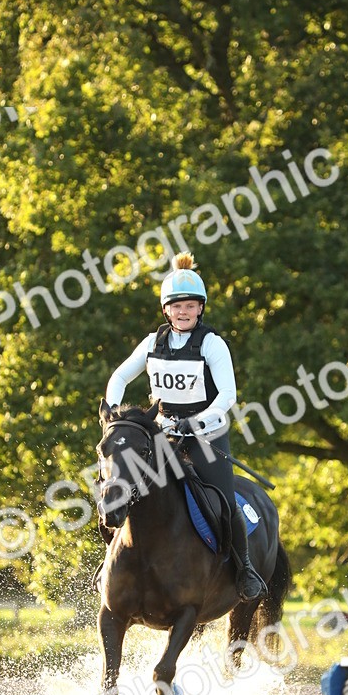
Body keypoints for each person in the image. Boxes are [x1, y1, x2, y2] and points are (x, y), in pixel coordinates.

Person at [104, 252, 267, 601]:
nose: (183, 312)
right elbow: (119, 376)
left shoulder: (212, 344)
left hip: (206, 435)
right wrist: (113, 414)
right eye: (177, 307)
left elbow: (227, 395)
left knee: (224, 502)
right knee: (118, 485)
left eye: (190, 306)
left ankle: (244, 568)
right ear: (166, 310)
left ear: (200, 309)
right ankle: (111, 564)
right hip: (162, 437)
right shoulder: (152, 343)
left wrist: (196, 422)